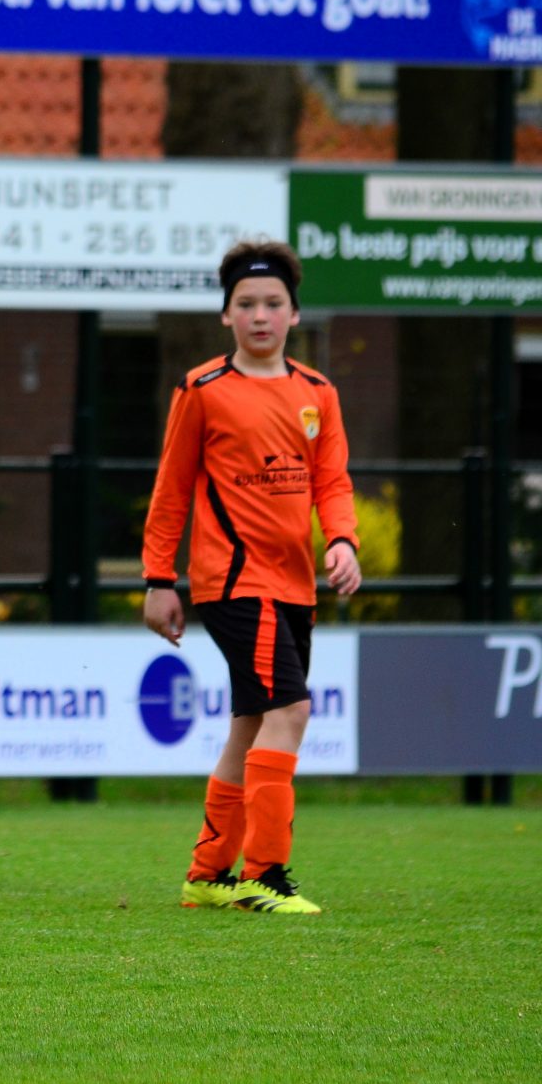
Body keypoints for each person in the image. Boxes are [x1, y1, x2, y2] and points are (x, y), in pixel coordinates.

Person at [142, 240, 361, 916]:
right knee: (290, 710)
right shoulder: (203, 389)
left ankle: (207, 876)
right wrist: (158, 578)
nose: (260, 315)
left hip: (295, 585)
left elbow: (333, 480)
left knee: (250, 723)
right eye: (246, 304)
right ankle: (265, 877)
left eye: (273, 304)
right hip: (234, 582)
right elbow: (172, 488)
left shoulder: (318, 393)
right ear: (225, 315)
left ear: (295, 315)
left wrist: (344, 540)